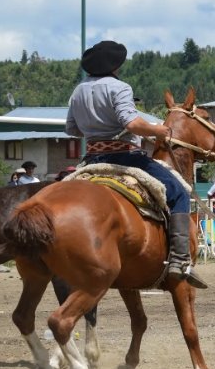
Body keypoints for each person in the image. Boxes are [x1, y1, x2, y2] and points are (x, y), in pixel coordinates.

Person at [65, 40, 207, 289]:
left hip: (91, 159)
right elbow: (130, 123)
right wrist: (158, 130)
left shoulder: (78, 91)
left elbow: (72, 129)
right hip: (124, 156)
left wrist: (95, 126)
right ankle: (180, 259)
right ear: (116, 65)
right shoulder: (119, 87)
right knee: (178, 193)